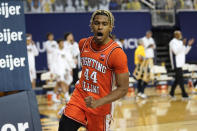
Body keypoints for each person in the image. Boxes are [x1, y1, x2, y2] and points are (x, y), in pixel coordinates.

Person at [58, 9, 129, 131]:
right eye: (96, 23)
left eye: (104, 24)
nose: (100, 27)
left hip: (101, 105)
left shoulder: (116, 53)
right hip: (80, 97)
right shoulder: (83, 44)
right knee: (65, 125)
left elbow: (123, 89)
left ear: (110, 27)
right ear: (91, 25)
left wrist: (99, 102)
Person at [169, 30, 195, 99]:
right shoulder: (172, 42)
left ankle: (171, 92)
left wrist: (188, 45)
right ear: (175, 35)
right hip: (176, 63)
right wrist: (183, 45)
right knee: (181, 79)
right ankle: (184, 94)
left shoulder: (181, 42)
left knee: (178, 79)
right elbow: (176, 52)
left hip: (181, 63)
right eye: (179, 34)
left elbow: (184, 52)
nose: (181, 35)